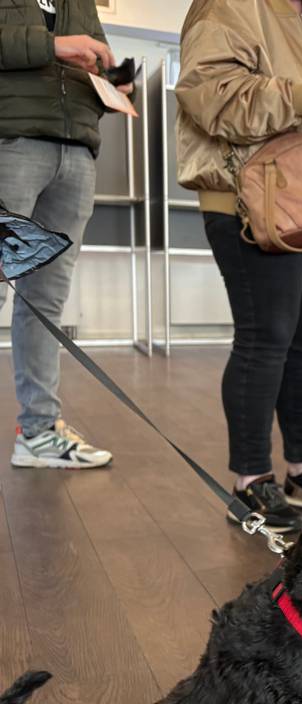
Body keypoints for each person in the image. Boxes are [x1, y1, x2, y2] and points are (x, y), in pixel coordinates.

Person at [175, 0, 302, 533]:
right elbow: (206, 95)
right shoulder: (226, 6)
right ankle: (249, 481)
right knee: (266, 341)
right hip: (248, 199)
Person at [0, 0, 131, 469]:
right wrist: (53, 46)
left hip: (75, 153)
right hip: (9, 142)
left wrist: (112, 89)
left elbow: (84, 66)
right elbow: (55, 52)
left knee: (46, 302)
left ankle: (37, 433)